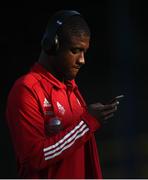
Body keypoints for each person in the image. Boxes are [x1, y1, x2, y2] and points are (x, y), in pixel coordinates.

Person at [6, 10, 119, 179]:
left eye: (84, 52)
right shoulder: (26, 89)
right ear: (52, 45)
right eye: (75, 50)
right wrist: (87, 123)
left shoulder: (71, 88)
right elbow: (34, 157)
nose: (82, 60)